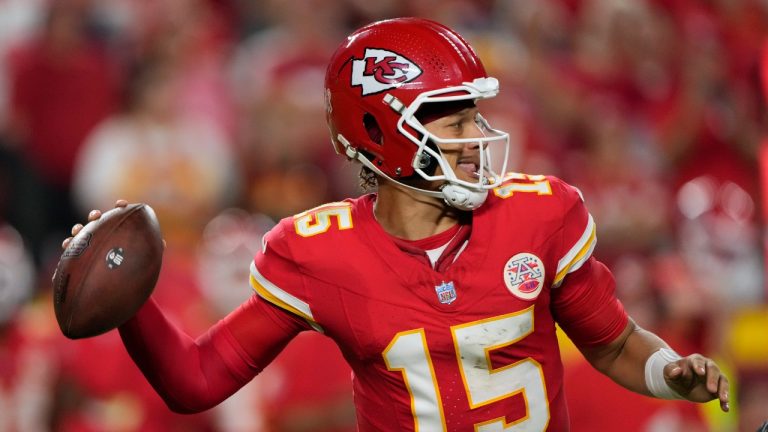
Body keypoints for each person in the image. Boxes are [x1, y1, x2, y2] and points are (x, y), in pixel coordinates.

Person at [63, 18, 730, 431]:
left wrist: (669, 370)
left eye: (475, 115)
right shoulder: (316, 253)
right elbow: (197, 381)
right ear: (378, 133)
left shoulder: (540, 212)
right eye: (454, 119)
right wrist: (130, 300)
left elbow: (612, 343)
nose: (478, 137)